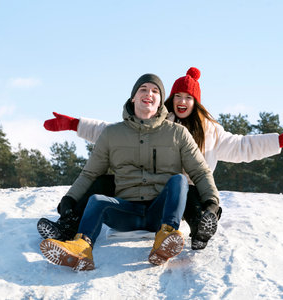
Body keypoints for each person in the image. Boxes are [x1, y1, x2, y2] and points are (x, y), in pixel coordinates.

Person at [38, 67, 283, 250]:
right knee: (102, 183)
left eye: (189, 97)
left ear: (196, 102)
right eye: (178, 96)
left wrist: (278, 141)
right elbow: (111, 133)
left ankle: (201, 229)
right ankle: (71, 224)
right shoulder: (157, 121)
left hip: (185, 189)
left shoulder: (210, 131)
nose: (182, 101)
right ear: (170, 99)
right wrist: (74, 124)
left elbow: (243, 146)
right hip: (149, 189)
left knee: (187, 189)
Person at [39, 73, 220, 271]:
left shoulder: (177, 133)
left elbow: (201, 172)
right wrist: (70, 199)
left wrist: (212, 204)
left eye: (155, 91)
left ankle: (166, 237)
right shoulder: (112, 134)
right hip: (125, 211)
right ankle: (81, 247)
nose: (149, 93)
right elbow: (89, 174)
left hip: (160, 211)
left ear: (161, 101)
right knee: (97, 200)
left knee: (180, 180)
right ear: (133, 97)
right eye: (143, 89)